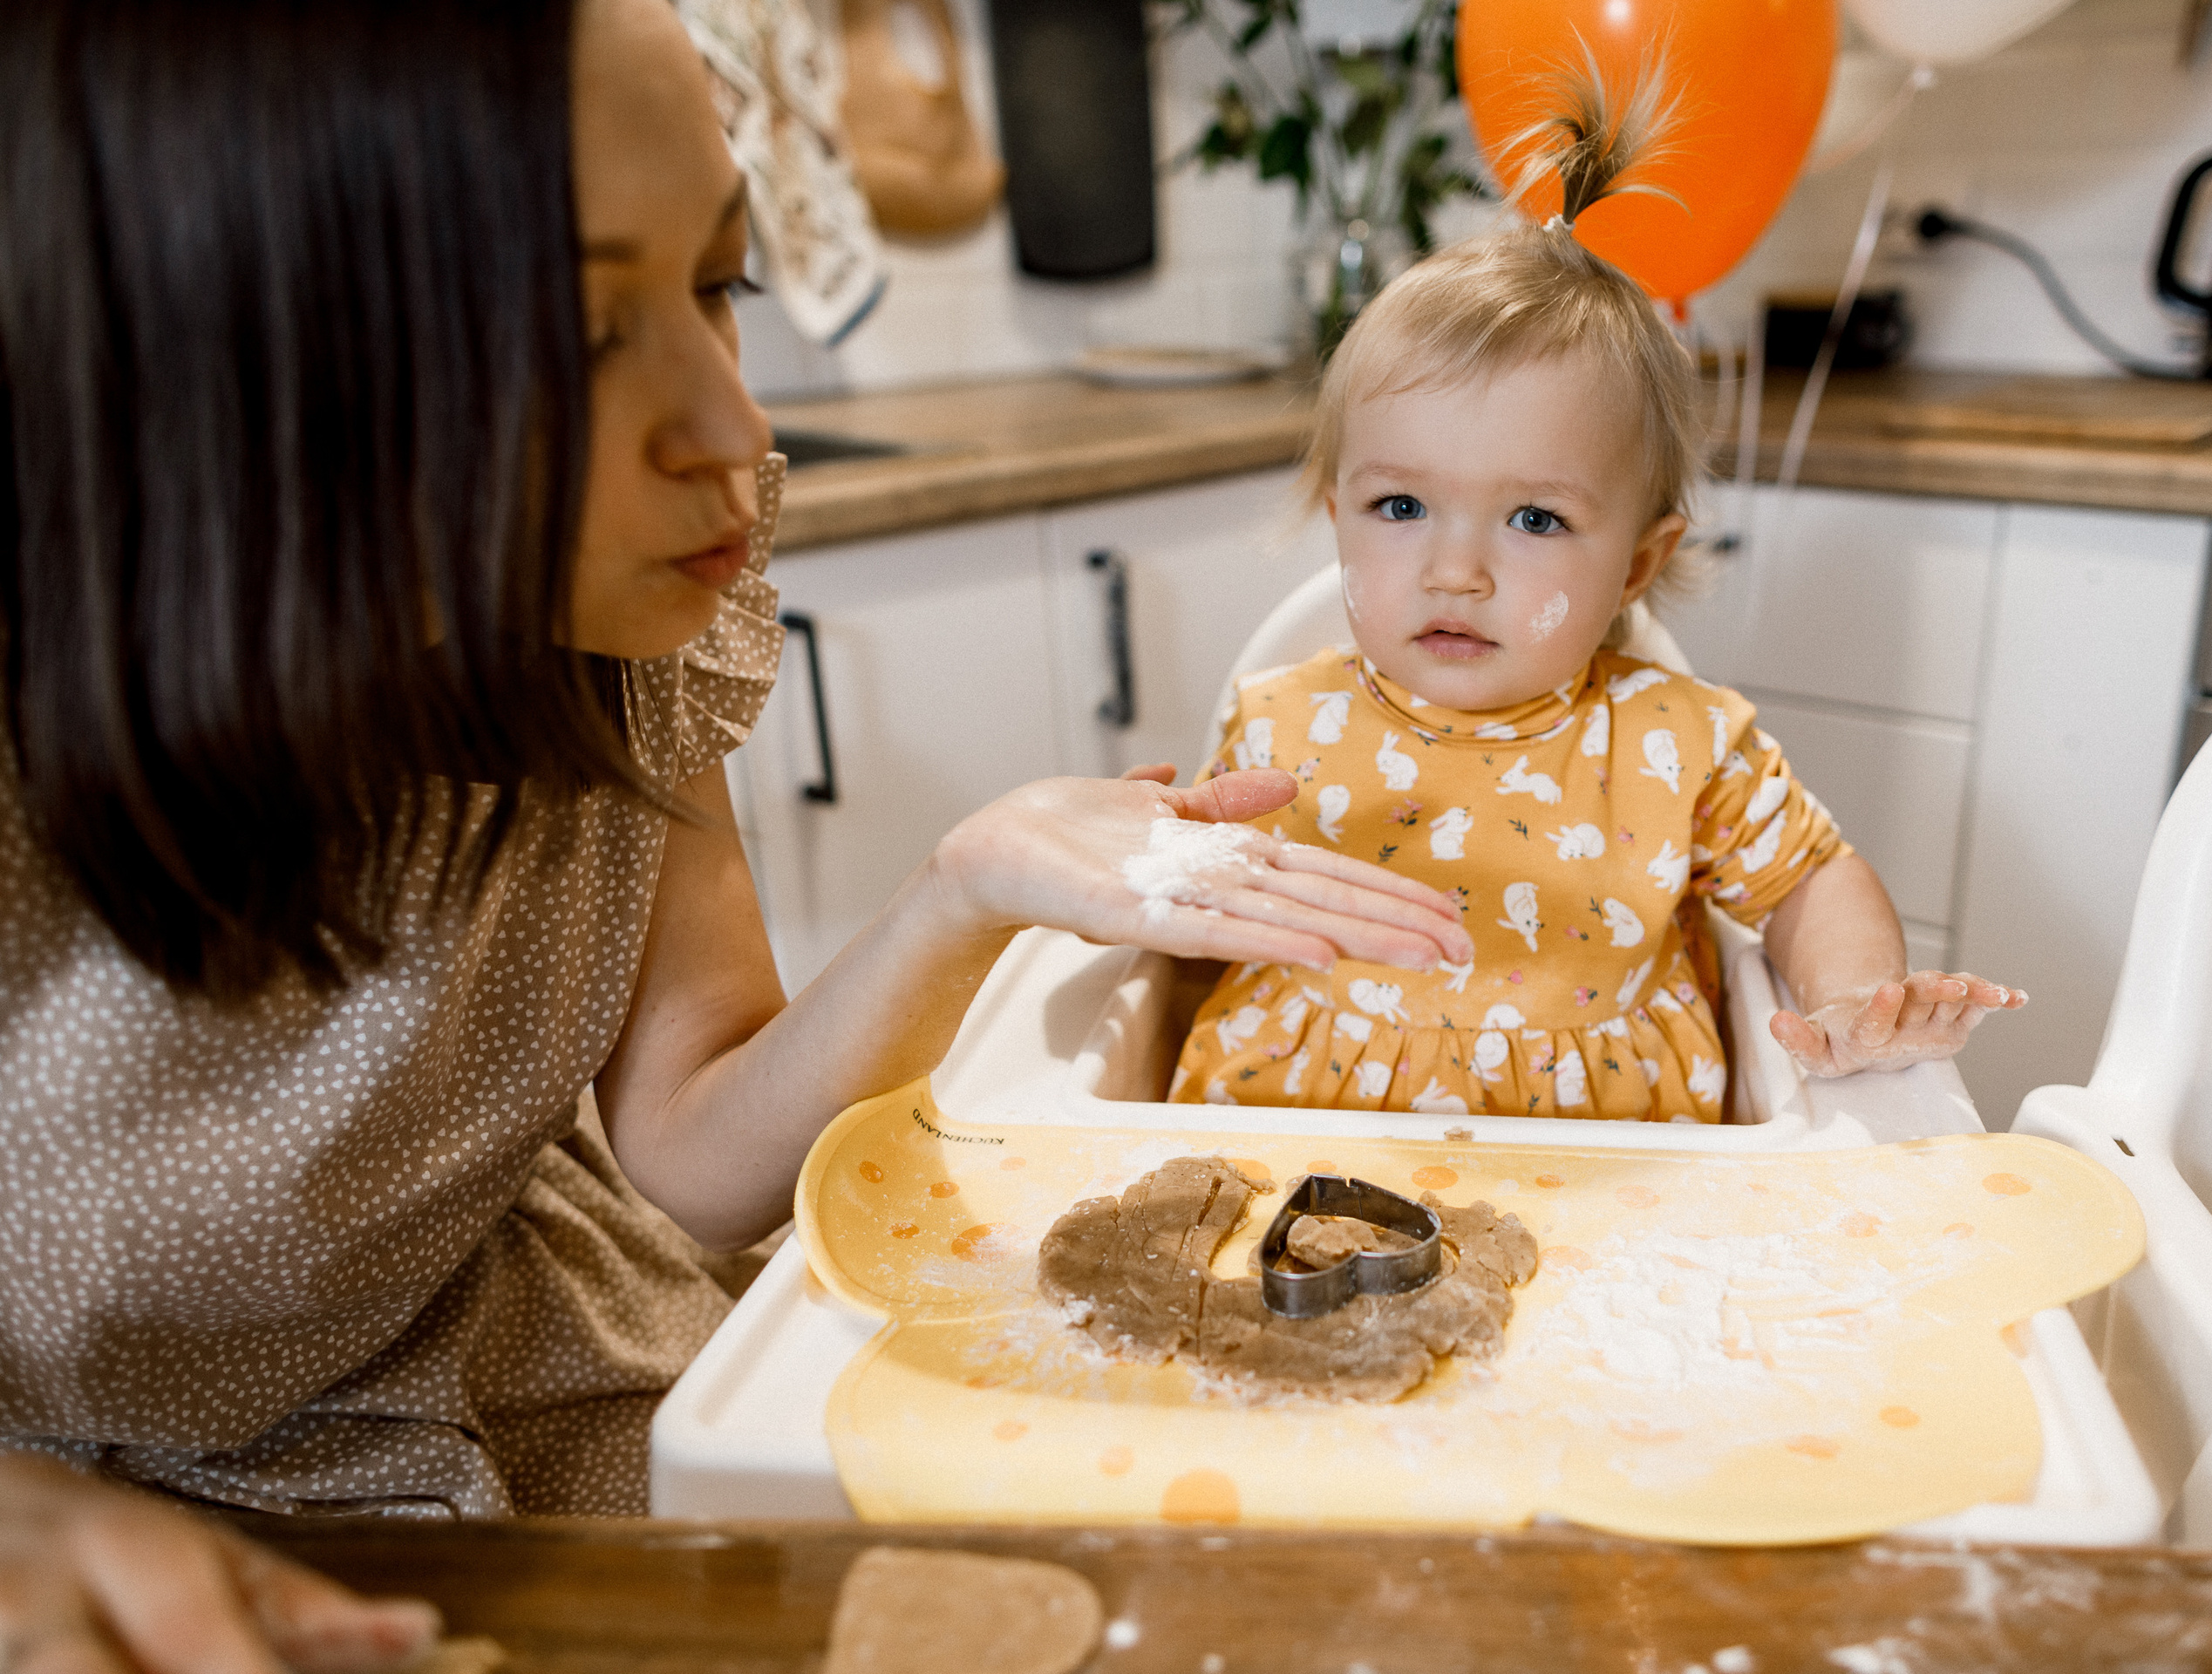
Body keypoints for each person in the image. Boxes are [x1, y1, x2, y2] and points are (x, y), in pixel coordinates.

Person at [0, 0, 1474, 1665]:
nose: (737, 434)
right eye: (583, 335)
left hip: (534, 1405)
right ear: (229, 362)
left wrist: (964, 888)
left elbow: (693, 1161)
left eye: (720, 286)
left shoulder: (619, 623)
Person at [1169, 79, 2024, 1121]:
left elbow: (1812, 880)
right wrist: (1147, 866)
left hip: (1612, 1171)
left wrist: (1853, 1000)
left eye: (1534, 519)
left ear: (1635, 565)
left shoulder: (1680, 746)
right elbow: (1184, 932)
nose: (1454, 570)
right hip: (1302, 1143)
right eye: (1400, 505)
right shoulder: (1275, 730)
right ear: (1335, 511)